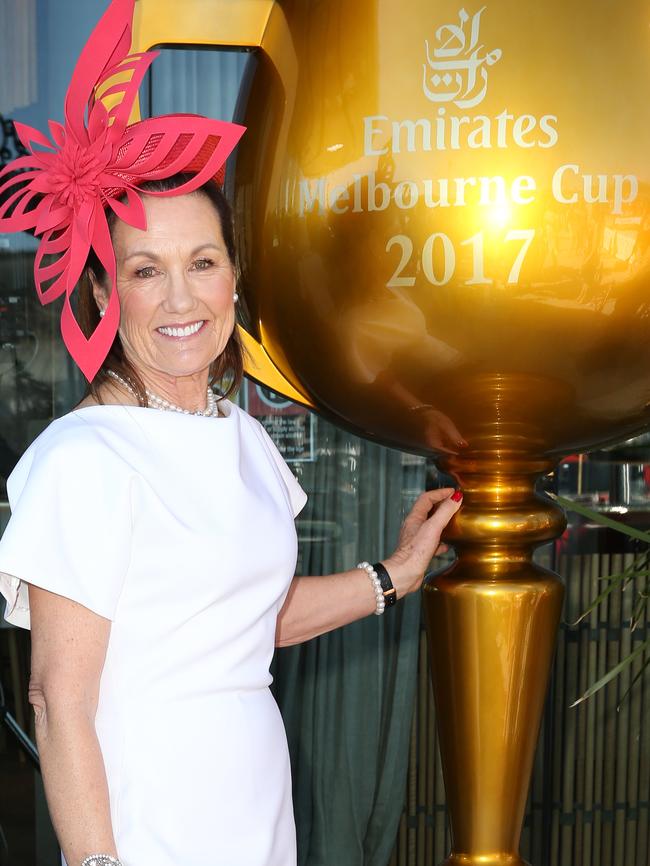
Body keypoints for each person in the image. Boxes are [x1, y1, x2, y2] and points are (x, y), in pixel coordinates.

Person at [0, 3, 464, 866]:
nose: (180, 300)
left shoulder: (239, 436)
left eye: (202, 262)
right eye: (146, 271)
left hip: (253, 808)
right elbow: (57, 698)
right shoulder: (84, 460)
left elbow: (254, 619)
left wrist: (394, 576)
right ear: (106, 295)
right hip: (144, 826)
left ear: (233, 277)